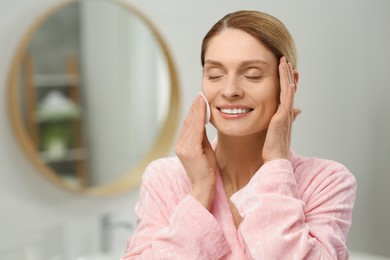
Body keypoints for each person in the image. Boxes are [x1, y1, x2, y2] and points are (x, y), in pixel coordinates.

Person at [121, 10, 356, 260]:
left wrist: (276, 165)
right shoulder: (165, 179)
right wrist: (200, 191)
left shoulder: (326, 182)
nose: (230, 90)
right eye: (215, 74)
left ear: (289, 83)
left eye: (252, 74)